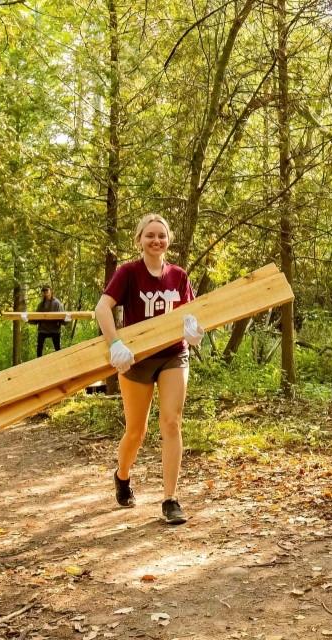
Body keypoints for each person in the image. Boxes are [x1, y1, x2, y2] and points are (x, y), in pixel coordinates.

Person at [96, 213, 205, 525]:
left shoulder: (179, 276)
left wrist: (194, 330)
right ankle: (122, 475)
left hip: (173, 355)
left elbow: (192, 314)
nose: (156, 240)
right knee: (136, 432)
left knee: (171, 422)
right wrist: (114, 343)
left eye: (162, 235)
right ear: (139, 239)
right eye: (150, 235)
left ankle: (170, 499)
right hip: (136, 359)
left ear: (168, 240)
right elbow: (103, 308)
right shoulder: (128, 273)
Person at [33, 286, 67, 355]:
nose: (46, 293)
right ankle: (38, 363)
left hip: (55, 329)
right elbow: (36, 318)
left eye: (47, 291)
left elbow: (62, 317)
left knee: (58, 349)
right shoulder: (41, 305)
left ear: (51, 292)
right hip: (43, 330)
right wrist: (27, 319)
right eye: (44, 292)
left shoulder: (57, 303)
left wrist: (66, 320)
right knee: (39, 348)